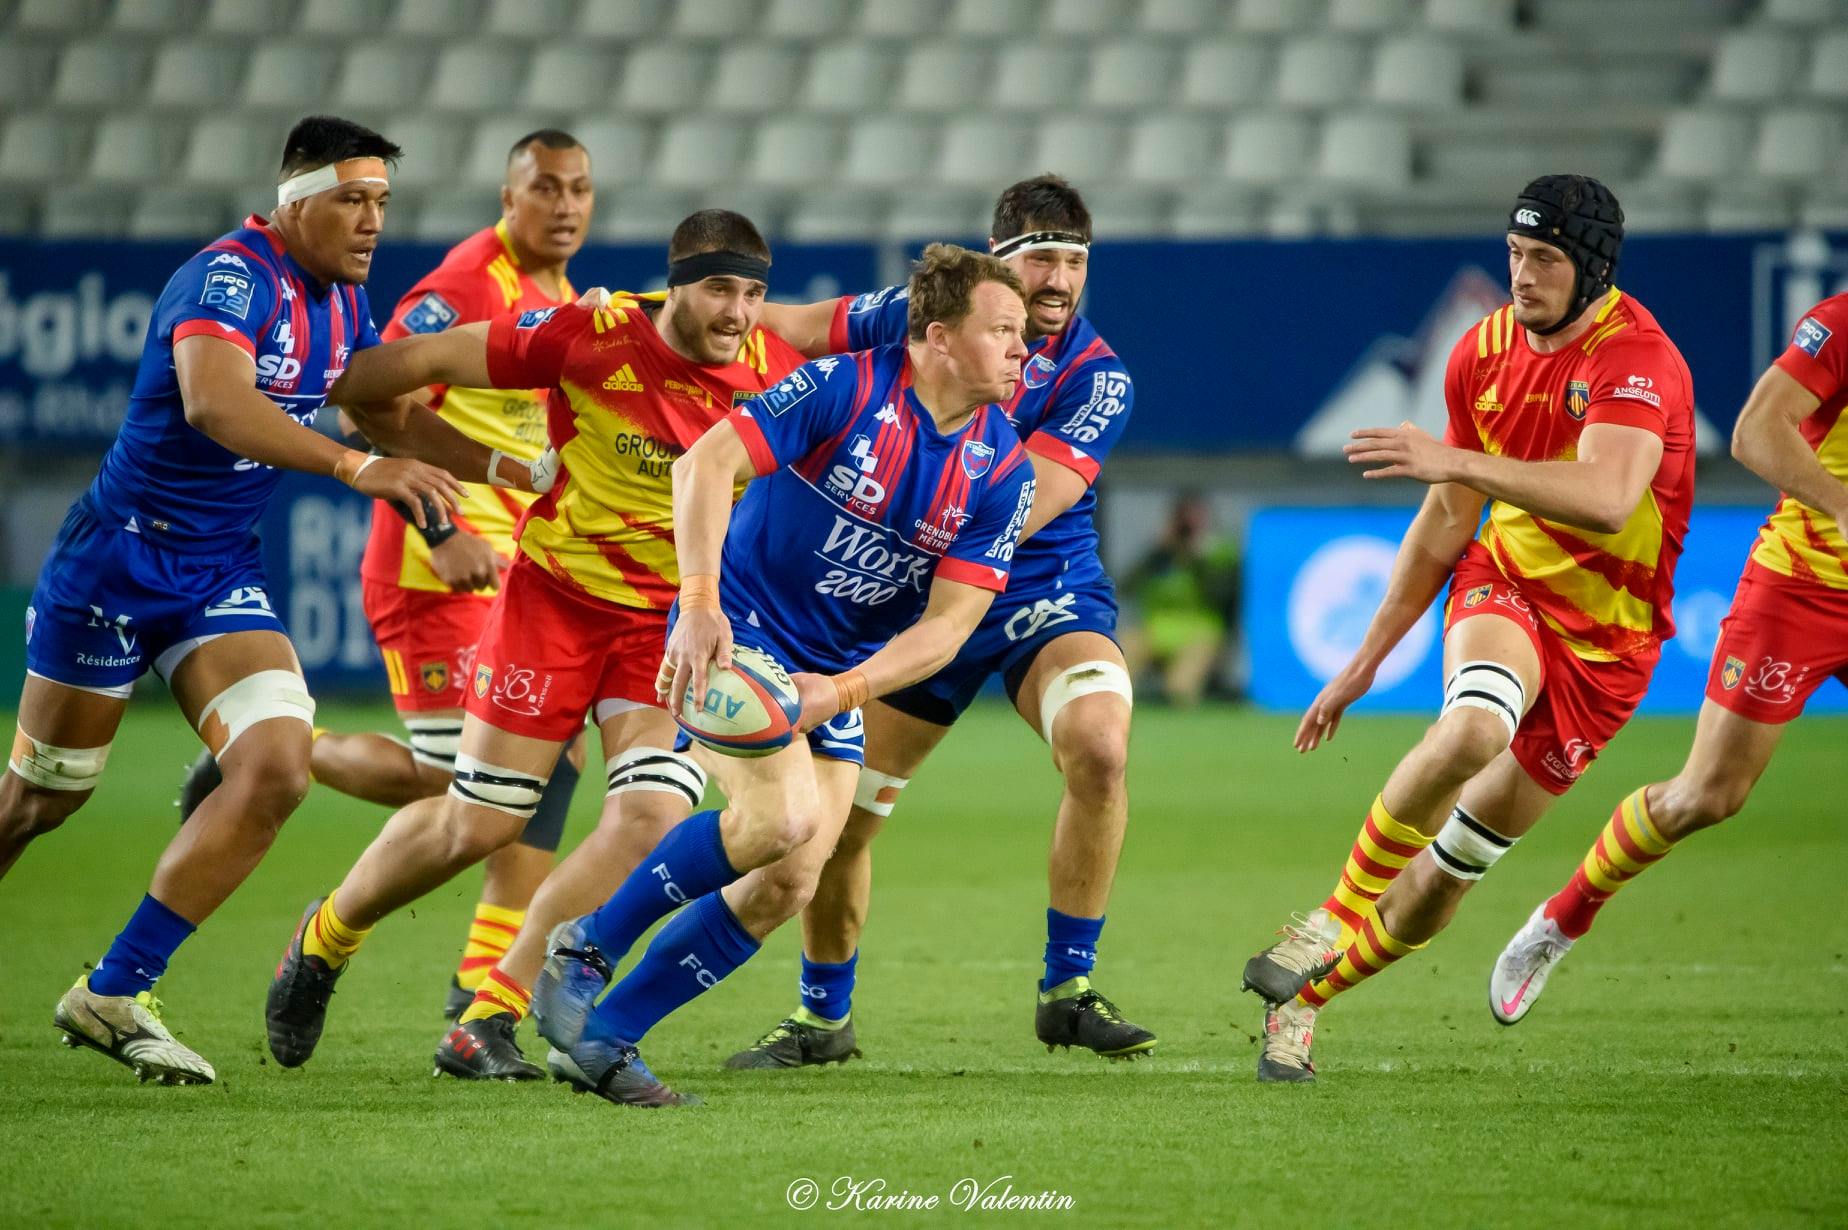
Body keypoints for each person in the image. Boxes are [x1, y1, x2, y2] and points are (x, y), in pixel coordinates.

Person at [3, 115, 544, 1086]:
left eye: (382, 201)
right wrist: (351, 464)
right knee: (41, 802)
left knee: (278, 766)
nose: (373, 218)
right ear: (296, 201)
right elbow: (218, 402)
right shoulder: (229, 277)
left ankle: (116, 987)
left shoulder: (342, 297)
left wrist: (512, 465)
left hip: (215, 573)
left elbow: (383, 410)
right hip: (118, 563)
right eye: (353, 198)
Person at [260, 211, 808, 1082]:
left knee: (650, 818)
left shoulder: (777, 375)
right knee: (479, 821)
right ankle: (325, 937)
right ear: (675, 284)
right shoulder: (590, 337)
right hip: (552, 607)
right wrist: (350, 396)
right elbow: (399, 375)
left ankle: (489, 1013)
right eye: (717, 288)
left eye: (753, 292)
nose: (737, 312)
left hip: (666, 630)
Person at [531, 242, 1038, 1107]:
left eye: (1024, 333)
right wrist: (697, 605)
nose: (1025, 350)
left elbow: (949, 628)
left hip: (829, 674)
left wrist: (838, 692)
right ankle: (584, 947)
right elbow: (704, 465)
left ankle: (606, 1037)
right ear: (941, 337)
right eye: (1005, 330)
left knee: (792, 879)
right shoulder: (843, 386)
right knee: (783, 818)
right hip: (736, 633)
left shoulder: (1003, 470)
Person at [1239, 175, 1695, 1082]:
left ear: (1595, 266)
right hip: (1511, 586)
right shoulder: (1480, 353)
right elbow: (1448, 522)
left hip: (1608, 652)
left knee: (1442, 884)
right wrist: (1365, 662)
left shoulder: (1638, 361)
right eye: (1516, 254)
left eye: (1547, 260)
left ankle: (1304, 1008)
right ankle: (1328, 916)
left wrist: (1453, 458)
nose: (1523, 277)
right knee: (1475, 725)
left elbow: (1608, 499)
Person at [724, 175, 1154, 1070]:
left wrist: (887, 516)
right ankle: (821, 1020)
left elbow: (1029, 502)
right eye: (1041, 259)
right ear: (998, 264)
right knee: (844, 822)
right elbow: (802, 328)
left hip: (1035, 588)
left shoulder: (1099, 377)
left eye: (1076, 263)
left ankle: (1067, 987)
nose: (1059, 280)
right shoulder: (932, 317)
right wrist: (698, 308)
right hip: (917, 599)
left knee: (1101, 745)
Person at [180, 129, 597, 1024]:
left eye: (580, 190)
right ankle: (282, 759)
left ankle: (480, 983)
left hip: (511, 569)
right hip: (434, 567)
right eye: (546, 188)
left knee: (543, 759)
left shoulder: (552, 290)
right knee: (459, 785)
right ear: (508, 195)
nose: (564, 206)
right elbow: (369, 394)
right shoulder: (466, 282)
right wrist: (439, 526)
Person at [1489, 291, 1848, 1022]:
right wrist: (1843, 504)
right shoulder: (1843, 322)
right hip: (1806, 588)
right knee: (1709, 794)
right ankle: (1563, 919)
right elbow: (1755, 433)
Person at [1120, 492, 1240, 707]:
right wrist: (1157, 552)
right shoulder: (1160, 555)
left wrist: (1197, 559)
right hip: (1154, 630)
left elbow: (1224, 597)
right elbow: (1125, 588)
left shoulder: (1220, 552)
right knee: (1117, 670)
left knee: (1180, 687)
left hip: (1200, 632)